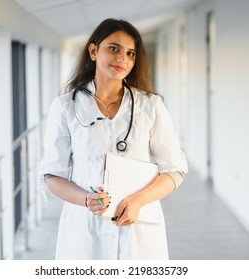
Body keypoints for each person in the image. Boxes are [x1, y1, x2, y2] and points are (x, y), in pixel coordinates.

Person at [40, 18, 188, 260]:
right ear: (93, 51)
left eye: (131, 53)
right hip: (84, 226)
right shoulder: (66, 106)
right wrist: (86, 200)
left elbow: (175, 170)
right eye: (114, 48)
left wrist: (139, 201)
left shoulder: (150, 106)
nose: (123, 59)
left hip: (137, 228)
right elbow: (51, 175)